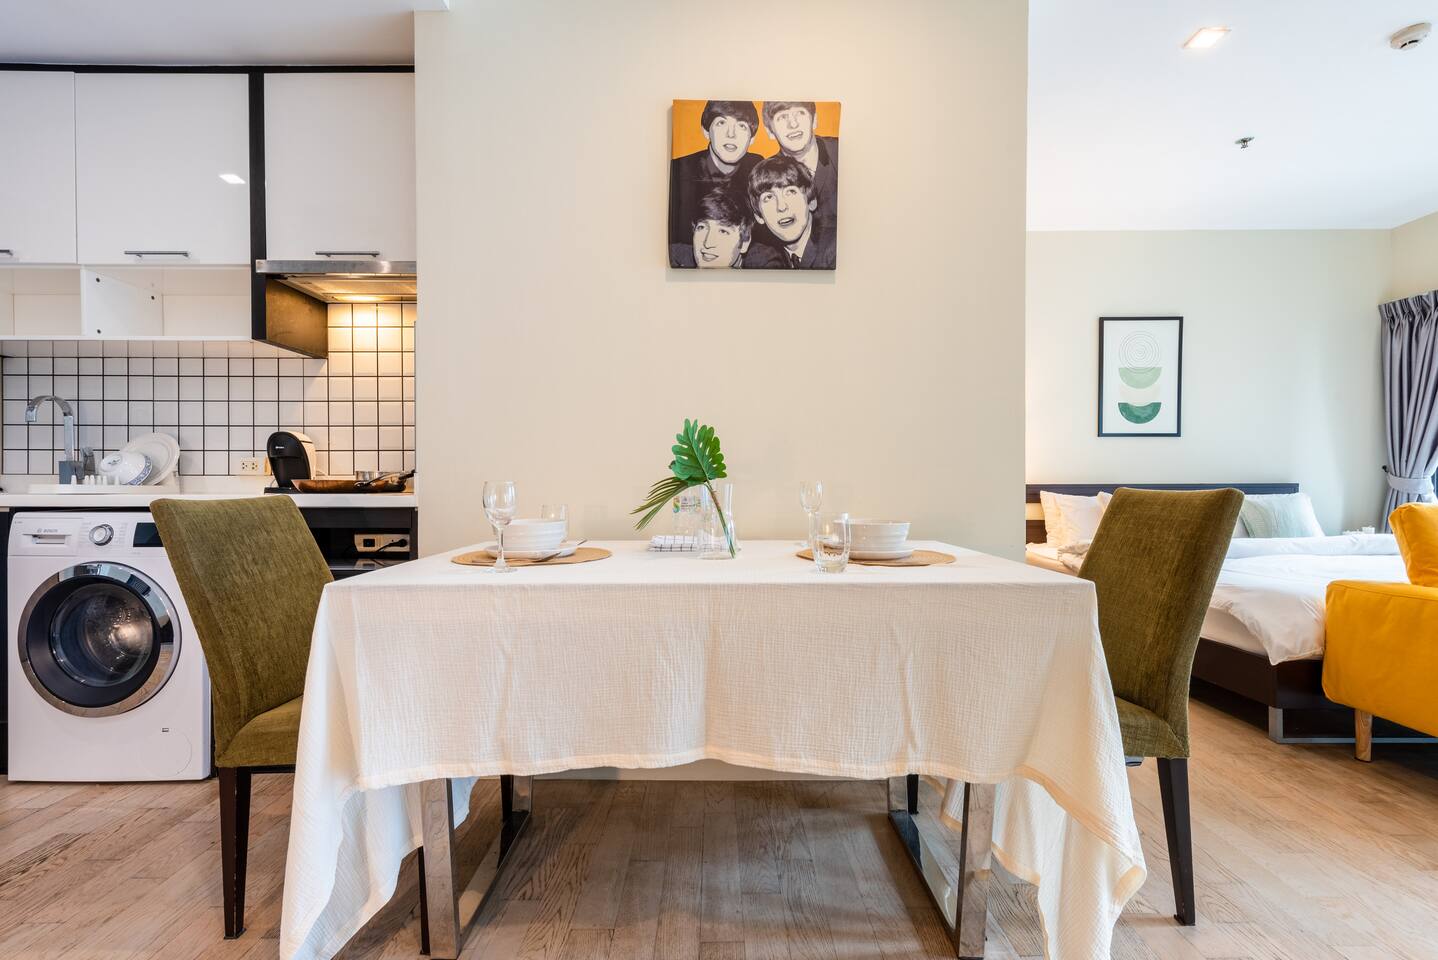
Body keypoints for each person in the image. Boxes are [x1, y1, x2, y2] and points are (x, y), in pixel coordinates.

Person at [669, 100, 762, 246]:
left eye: (741, 126)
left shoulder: (758, 170)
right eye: (721, 123)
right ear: (706, 131)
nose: (731, 134)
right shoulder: (678, 171)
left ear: (752, 139)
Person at [741, 155, 835, 270]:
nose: (781, 207)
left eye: (790, 192)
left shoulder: (834, 248)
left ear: (811, 201)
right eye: (769, 197)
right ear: (759, 216)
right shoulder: (758, 258)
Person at [760, 100, 838, 227]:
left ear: (814, 120)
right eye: (782, 117)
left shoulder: (841, 151)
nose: (793, 124)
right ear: (769, 131)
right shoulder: (764, 176)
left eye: (800, 113)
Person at [669, 187, 752, 269]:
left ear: (744, 243)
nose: (708, 243)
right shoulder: (672, 257)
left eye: (723, 231)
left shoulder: (757, 265)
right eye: (701, 227)